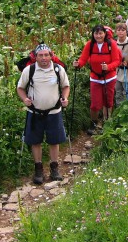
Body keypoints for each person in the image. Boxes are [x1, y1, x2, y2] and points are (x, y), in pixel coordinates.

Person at [16, 43, 70, 184]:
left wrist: (65, 98)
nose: (44, 58)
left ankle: (54, 168)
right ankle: (38, 169)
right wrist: (24, 99)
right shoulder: (29, 70)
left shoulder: (58, 69)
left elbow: (65, 86)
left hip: (54, 111)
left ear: (51, 56)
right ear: (36, 57)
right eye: (41, 55)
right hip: (34, 111)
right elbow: (20, 88)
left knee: (54, 140)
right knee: (35, 141)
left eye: (46, 55)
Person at [73, 25, 122, 135]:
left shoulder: (111, 44)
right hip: (95, 78)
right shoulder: (90, 45)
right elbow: (83, 59)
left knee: (108, 101)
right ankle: (94, 124)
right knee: (95, 104)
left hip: (109, 77)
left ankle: (107, 123)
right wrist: (78, 64)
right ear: (93, 34)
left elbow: (117, 61)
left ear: (105, 34)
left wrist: (108, 67)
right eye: (96, 33)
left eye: (101, 33)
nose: (98, 36)